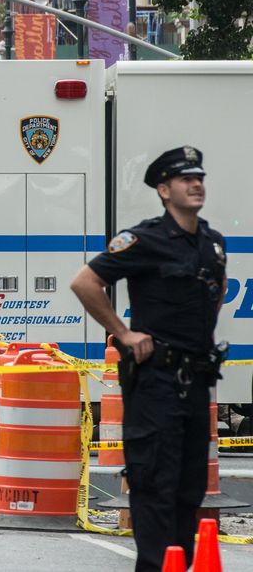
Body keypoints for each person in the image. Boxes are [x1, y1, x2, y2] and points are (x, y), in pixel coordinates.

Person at [70, 146, 226, 572]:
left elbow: (216, 294)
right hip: (155, 382)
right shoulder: (145, 239)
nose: (196, 185)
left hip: (197, 380)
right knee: (155, 481)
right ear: (163, 189)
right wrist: (123, 333)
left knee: (190, 485)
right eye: (185, 180)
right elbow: (85, 282)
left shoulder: (212, 242)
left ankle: (181, 564)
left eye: (199, 178)